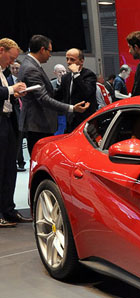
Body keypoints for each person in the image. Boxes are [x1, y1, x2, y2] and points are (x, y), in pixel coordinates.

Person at [17, 35, 89, 156]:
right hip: (38, 124)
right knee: (40, 159)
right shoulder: (31, 68)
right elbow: (44, 98)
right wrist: (72, 108)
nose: (50, 55)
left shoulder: (31, 65)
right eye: (49, 51)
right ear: (42, 49)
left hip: (40, 123)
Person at [0, 37, 28, 227]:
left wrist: (14, 94)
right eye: (10, 58)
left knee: (10, 169)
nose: (12, 62)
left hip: (8, 121)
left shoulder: (5, 72)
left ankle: (9, 211)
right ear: (1, 50)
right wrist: (11, 89)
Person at [54, 48, 97, 132]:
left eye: (72, 59)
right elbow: (58, 95)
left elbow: (86, 93)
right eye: (67, 59)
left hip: (85, 121)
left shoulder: (89, 75)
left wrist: (76, 74)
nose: (68, 62)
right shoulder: (66, 77)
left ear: (81, 61)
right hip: (69, 120)